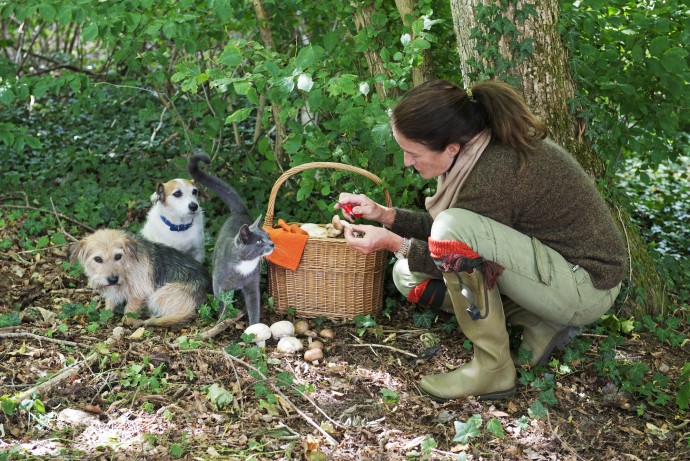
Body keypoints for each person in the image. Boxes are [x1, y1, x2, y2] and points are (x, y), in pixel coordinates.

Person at [337, 79, 627, 401]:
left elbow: (451, 240)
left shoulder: (494, 172)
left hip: (585, 287)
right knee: (406, 274)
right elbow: (450, 240)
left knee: (436, 239)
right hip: (552, 274)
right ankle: (536, 320)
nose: (407, 161)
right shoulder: (476, 152)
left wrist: (393, 243)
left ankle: (493, 369)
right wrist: (385, 215)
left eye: (413, 153)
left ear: (450, 147)